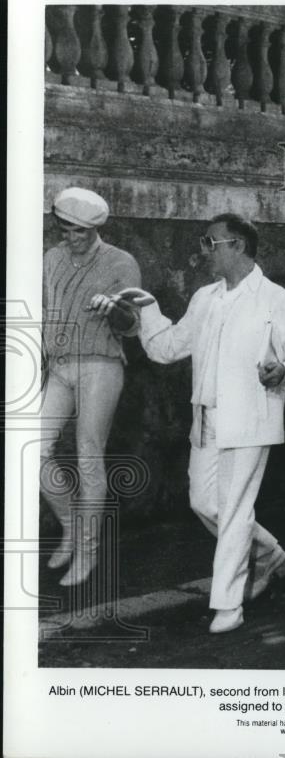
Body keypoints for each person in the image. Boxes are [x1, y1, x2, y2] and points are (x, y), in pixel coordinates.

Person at [91, 213, 285, 633]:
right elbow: (167, 347)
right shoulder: (205, 298)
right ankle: (267, 554)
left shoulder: (275, 299)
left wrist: (283, 371)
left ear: (240, 246)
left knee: (233, 510)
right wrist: (149, 311)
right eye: (204, 242)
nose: (203, 251)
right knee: (204, 503)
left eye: (211, 243)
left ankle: (229, 605)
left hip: (251, 419)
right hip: (206, 419)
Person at [41, 187, 142, 587]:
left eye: (78, 231)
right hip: (60, 367)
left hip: (101, 366)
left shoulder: (121, 262)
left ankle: (88, 551)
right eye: (64, 229)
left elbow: (133, 327)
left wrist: (115, 309)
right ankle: (70, 527)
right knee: (30, 448)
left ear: (95, 229)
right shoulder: (52, 258)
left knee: (88, 454)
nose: (70, 237)